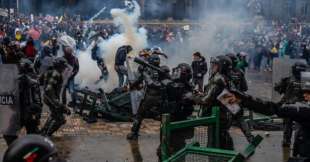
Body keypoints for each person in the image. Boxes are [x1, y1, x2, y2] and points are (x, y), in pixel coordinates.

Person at [231, 75, 310, 160]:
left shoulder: (305, 111)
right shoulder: (304, 108)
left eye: (308, 93)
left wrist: (244, 100)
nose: (304, 95)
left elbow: (272, 108)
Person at [195, 55, 235, 150]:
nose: (212, 67)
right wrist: (202, 94)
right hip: (223, 119)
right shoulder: (225, 79)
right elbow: (227, 101)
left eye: (215, 65)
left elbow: (206, 101)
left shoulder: (218, 80)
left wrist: (192, 97)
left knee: (214, 147)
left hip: (218, 119)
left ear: (221, 67)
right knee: (223, 144)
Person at [157, 63, 195, 161]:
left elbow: (186, 102)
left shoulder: (185, 87)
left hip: (177, 122)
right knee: (166, 149)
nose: (175, 73)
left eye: (178, 72)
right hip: (170, 121)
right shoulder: (171, 85)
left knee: (177, 149)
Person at [127, 54, 169, 140]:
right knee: (164, 117)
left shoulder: (148, 70)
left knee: (139, 115)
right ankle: (165, 136)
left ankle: (134, 133)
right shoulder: (162, 69)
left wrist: (132, 86)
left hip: (150, 96)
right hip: (161, 97)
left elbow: (143, 82)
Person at [274, 62, 307, 147]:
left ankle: (286, 141)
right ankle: (298, 143)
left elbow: (277, 89)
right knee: (301, 126)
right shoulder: (306, 80)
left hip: (288, 105)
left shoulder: (287, 79)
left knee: (287, 124)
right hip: (301, 107)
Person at [226, 53, 254, 143]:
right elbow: (245, 88)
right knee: (240, 119)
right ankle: (250, 138)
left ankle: (222, 140)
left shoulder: (224, 72)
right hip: (238, 99)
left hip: (226, 99)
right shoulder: (240, 72)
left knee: (226, 122)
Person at [40, 57, 71, 136]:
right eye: (63, 66)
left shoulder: (49, 71)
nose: (64, 69)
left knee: (54, 115)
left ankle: (43, 132)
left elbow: (40, 81)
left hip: (48, 98)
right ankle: (46, 135)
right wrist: (59, 105)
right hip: (51, 99)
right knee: (60, 119)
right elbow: (48, 89)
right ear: (59, 66)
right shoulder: (55, 74)